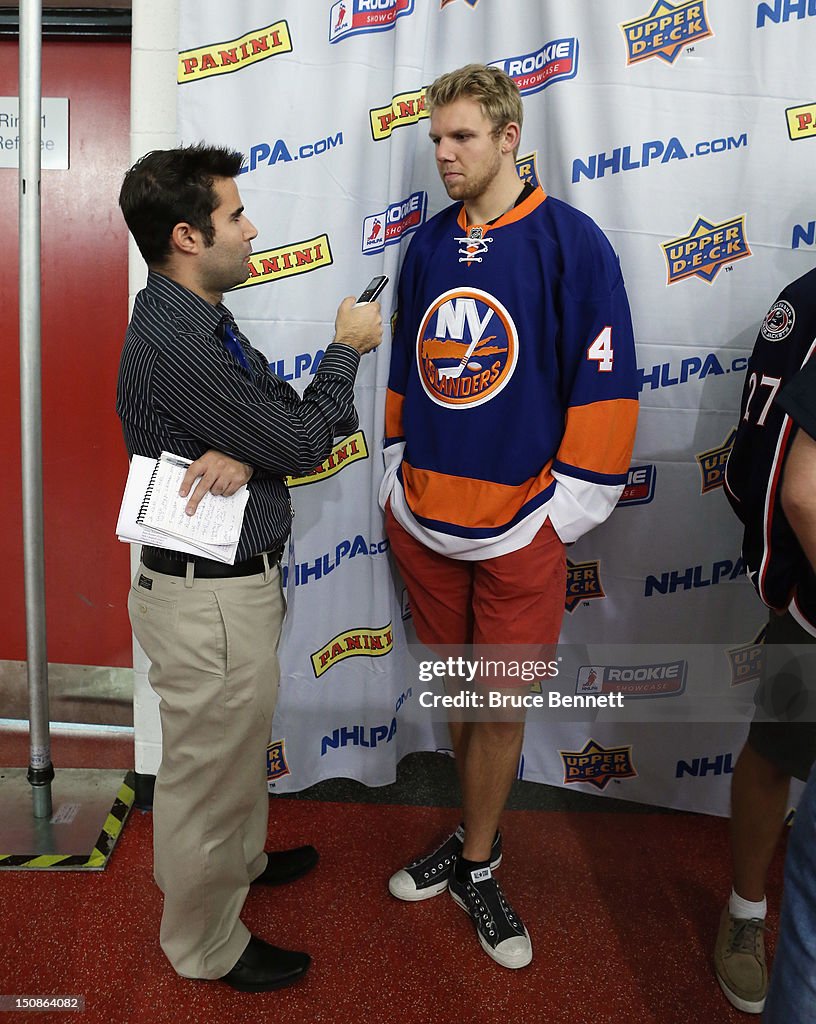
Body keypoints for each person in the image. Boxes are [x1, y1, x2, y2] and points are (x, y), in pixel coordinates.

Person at [379, 64, 638, 969]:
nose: (444, 155)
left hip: (521, 524)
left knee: (499, 704)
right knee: (460, 695)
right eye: (437, 140)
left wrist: (560, 513)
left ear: (509, 138)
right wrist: (391, 476)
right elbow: (410, 368)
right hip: (426, 520)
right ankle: (472, 835)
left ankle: (479, 864)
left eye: (462, 138)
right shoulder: (427, 245)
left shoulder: (573, 243)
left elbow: (605, 382)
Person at [116, 144, 382, 992]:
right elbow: (306, 437)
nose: (252, 228)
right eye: (236, 216)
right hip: (210, 603)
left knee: (229, 760)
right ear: (188, 236)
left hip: (223, 592)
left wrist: (244, 448)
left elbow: (265, 408)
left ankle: (239, 865)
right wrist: (346, 350)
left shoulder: (189, 311)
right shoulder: (178, 339)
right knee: (205, 777)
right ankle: (203, 947)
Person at [718, 267, 816, 1014]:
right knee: (776, 750)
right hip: (811, 609)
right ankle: (746, 913)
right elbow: (792, 486)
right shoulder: (808, 298)